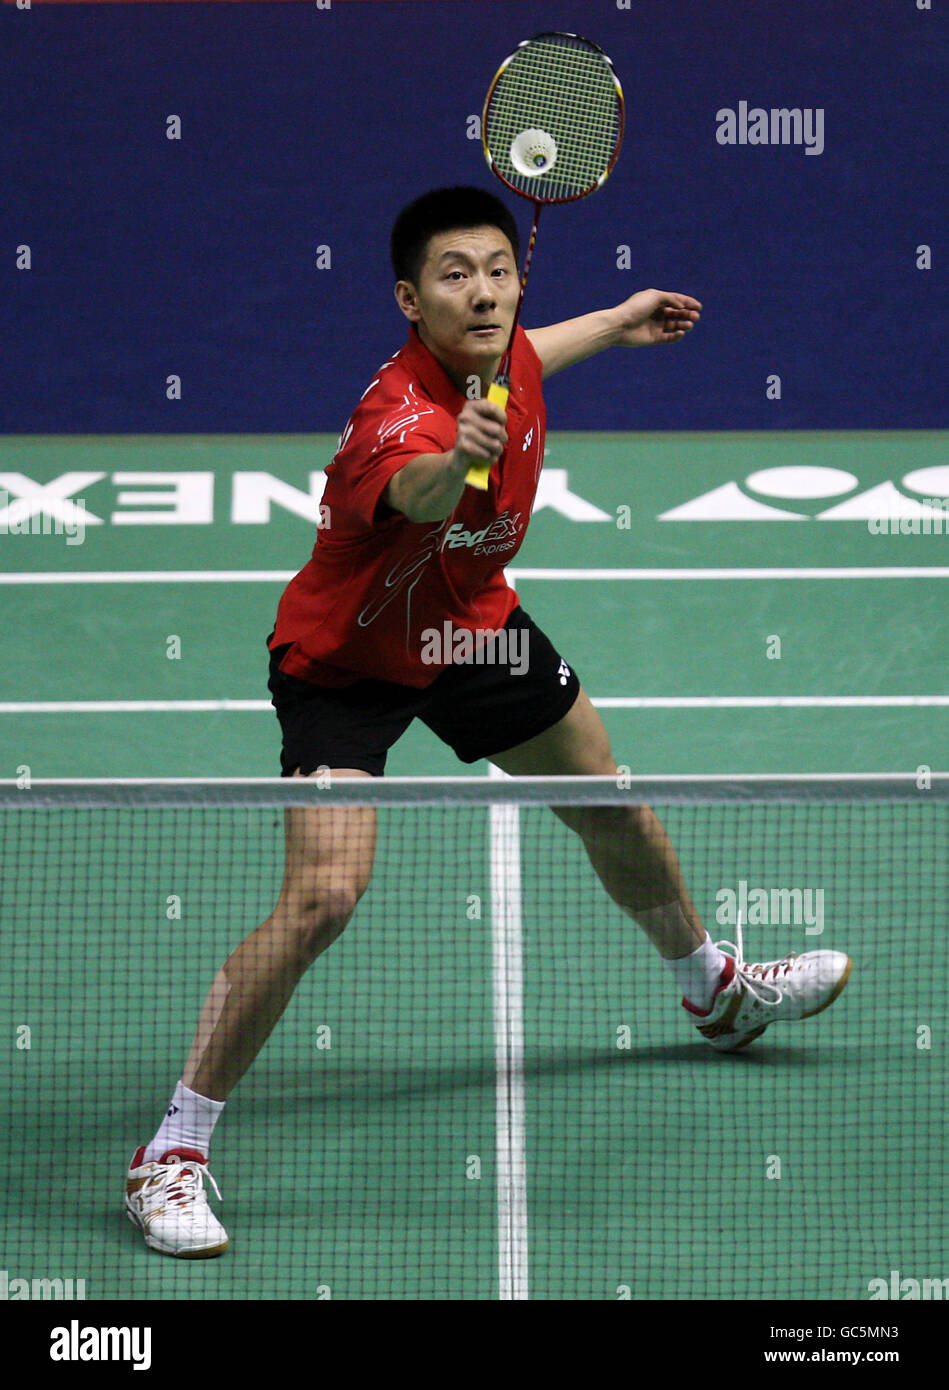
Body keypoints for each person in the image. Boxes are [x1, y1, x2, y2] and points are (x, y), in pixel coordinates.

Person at [125, 186, 851, 1258]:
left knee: (608, 802)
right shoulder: (400, 418)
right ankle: (170, 1152)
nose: (482, 291)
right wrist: (461, 453)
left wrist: (618, 319)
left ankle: (715, 990)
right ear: (407, 300)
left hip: (471, 632)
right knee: (326, 894)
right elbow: (417, 493)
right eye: (453, 275)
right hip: (348, 662)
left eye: (498, 270)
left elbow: (529, 354)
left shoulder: (500, 352)